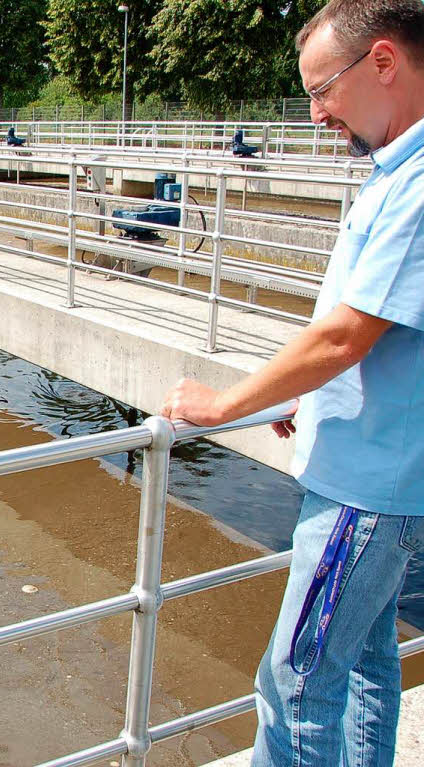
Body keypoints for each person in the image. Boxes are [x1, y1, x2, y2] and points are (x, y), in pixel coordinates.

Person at [161, 1, 424, 764]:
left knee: (297, 680)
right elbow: (379, 332)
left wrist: (227, 403)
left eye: (323, 90)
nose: (314, 115)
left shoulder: (415, 186)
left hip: (365, 488)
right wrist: (306, 394)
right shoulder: (395, 169)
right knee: (369, 661)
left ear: (383, 63)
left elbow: (346, 333)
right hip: (374, 470)